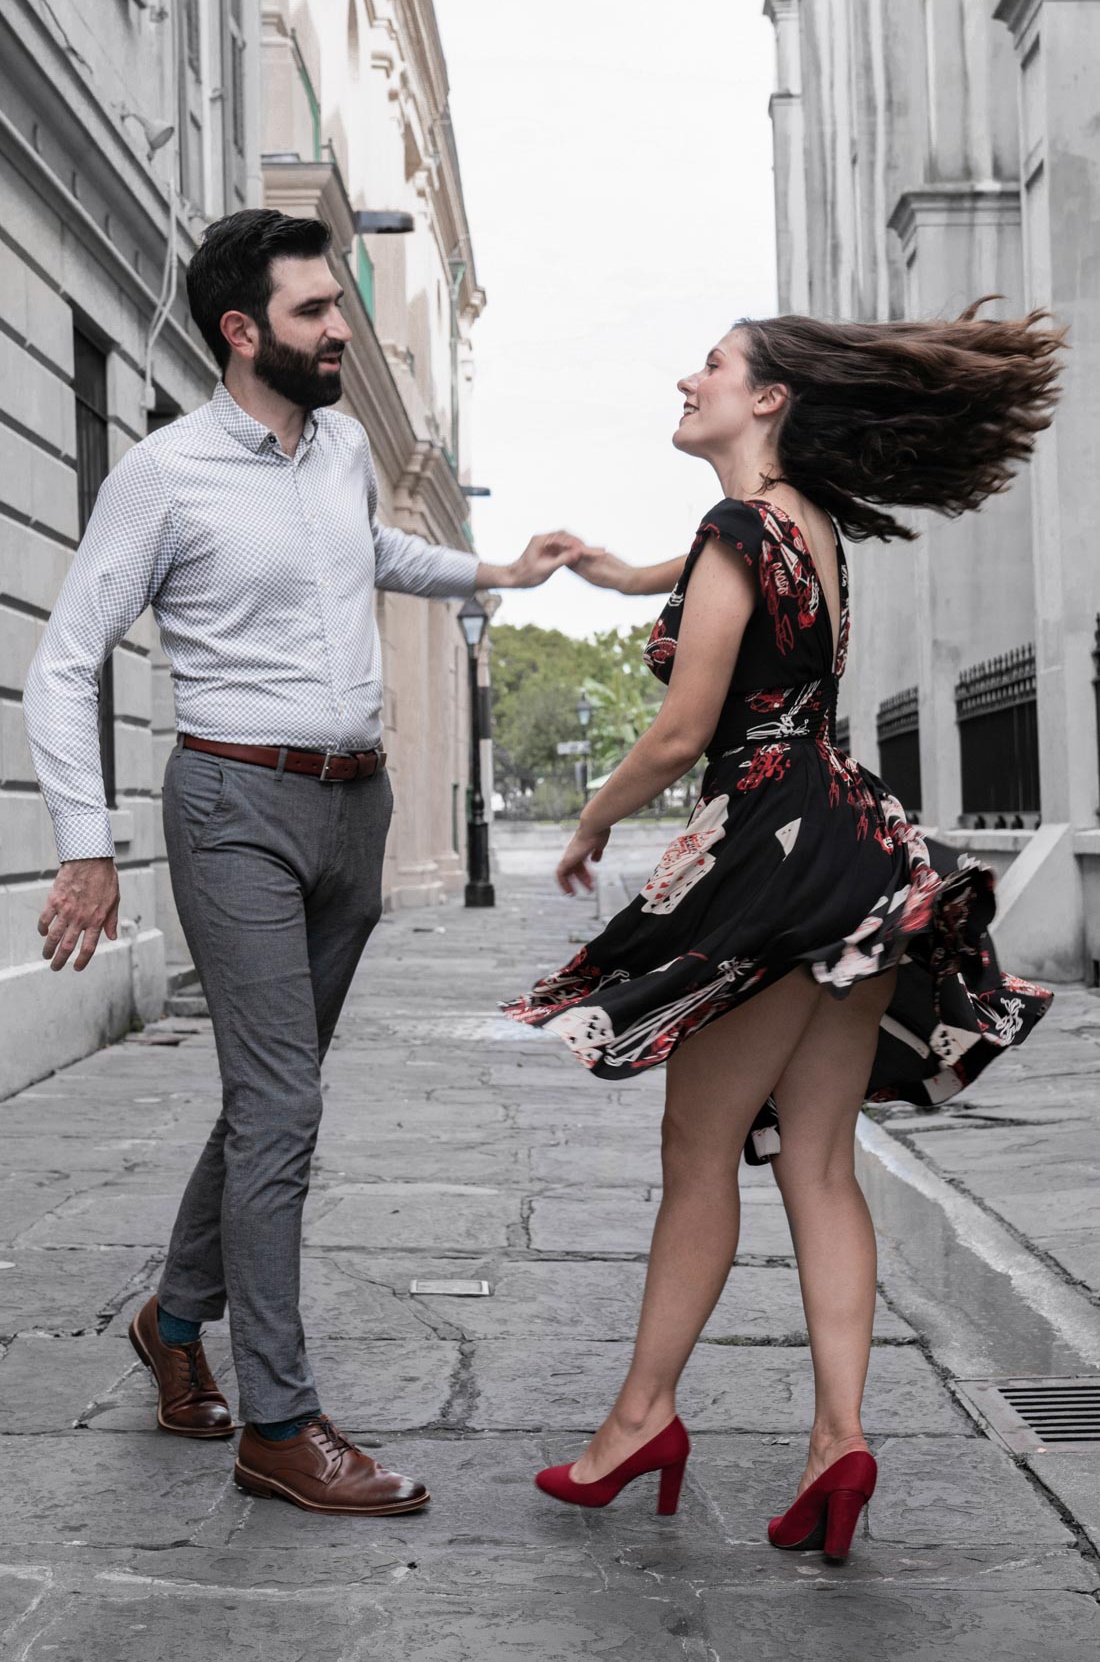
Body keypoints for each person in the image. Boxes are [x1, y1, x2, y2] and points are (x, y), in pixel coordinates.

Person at [23, 208, 578, 1518]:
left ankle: (174, 1317)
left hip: (354, 812)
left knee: (275, 1094)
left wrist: (491, 568)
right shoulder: (163, 474)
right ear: (243, 331)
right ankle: (278, 1419)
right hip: (234, 808)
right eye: (319, 312)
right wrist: (85, 849)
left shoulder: (336, 450)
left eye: (340, 305)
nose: (344, 330)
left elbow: (366, 554)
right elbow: (64, 658)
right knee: (282, 1106)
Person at [505, 301, 1063, 1563]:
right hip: (854, 841)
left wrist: (590, 821)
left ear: (766, 400)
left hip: (769, 848)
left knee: (698, 1150)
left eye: (712, 364)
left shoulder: (735, 526)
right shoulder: (803, 522)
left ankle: (638, 1420)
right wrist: (609, 569)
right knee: (816, 1162)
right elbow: (716, 583)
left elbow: (681, 729)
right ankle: (837, 1438)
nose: (687, 376)